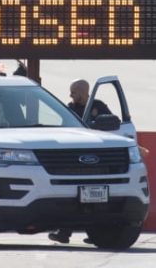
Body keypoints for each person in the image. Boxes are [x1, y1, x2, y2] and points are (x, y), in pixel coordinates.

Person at [49, 79, 112, 244]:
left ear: (84, 92)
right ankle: (64, 232)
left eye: (74, 92)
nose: (70, 95)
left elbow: (113, 123)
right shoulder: (70, 109)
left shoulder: (98, 106)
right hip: (75, 160)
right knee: (72, 199)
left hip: (96, 161)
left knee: (95, 201)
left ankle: (96, 234)